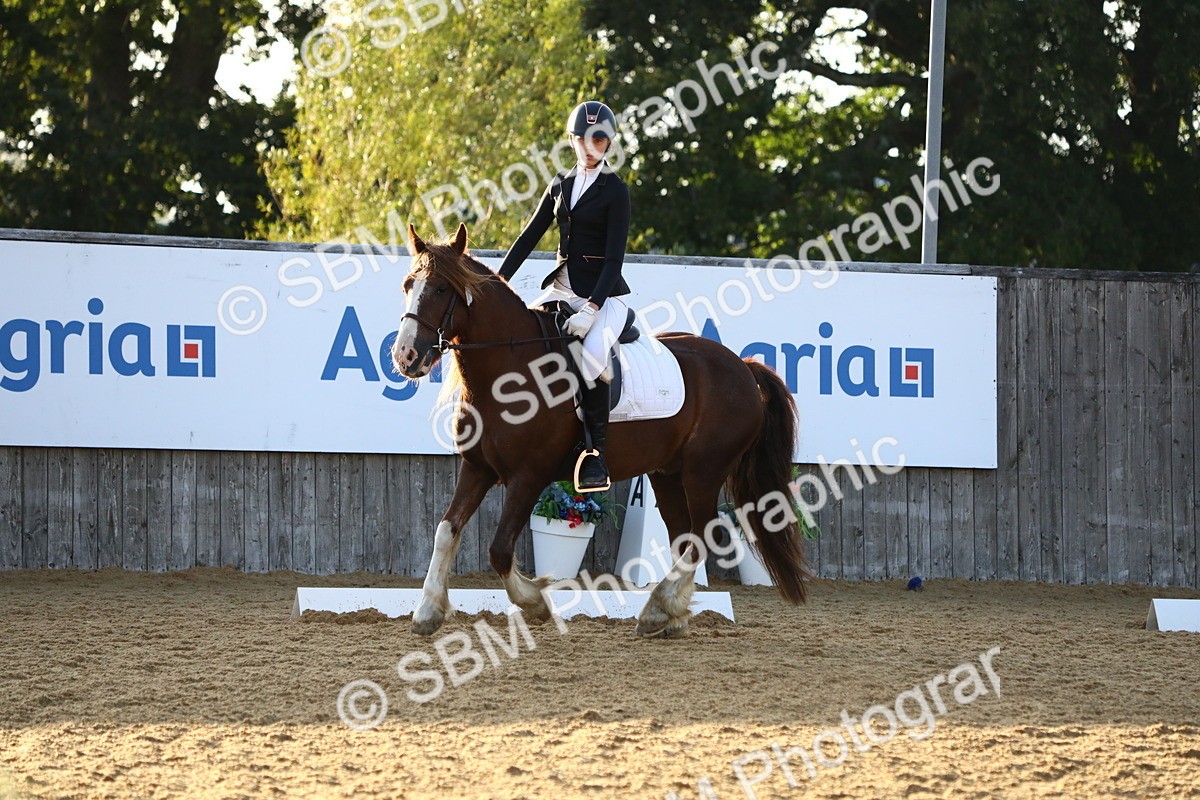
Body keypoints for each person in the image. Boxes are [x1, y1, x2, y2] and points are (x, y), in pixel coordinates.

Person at [497, 101, 631, 492]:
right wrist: (496, 282)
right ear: (573, 140)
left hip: (603, 297)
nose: (591, 147)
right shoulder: (560, 184)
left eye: (600, 139)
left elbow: (613, 260)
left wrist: (592, 308)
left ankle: (595, 455)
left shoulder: (616, 191)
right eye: (584, 139)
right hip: (560, 289)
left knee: (590, 362)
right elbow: (528, 238)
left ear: (608, 143)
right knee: (527, 343)